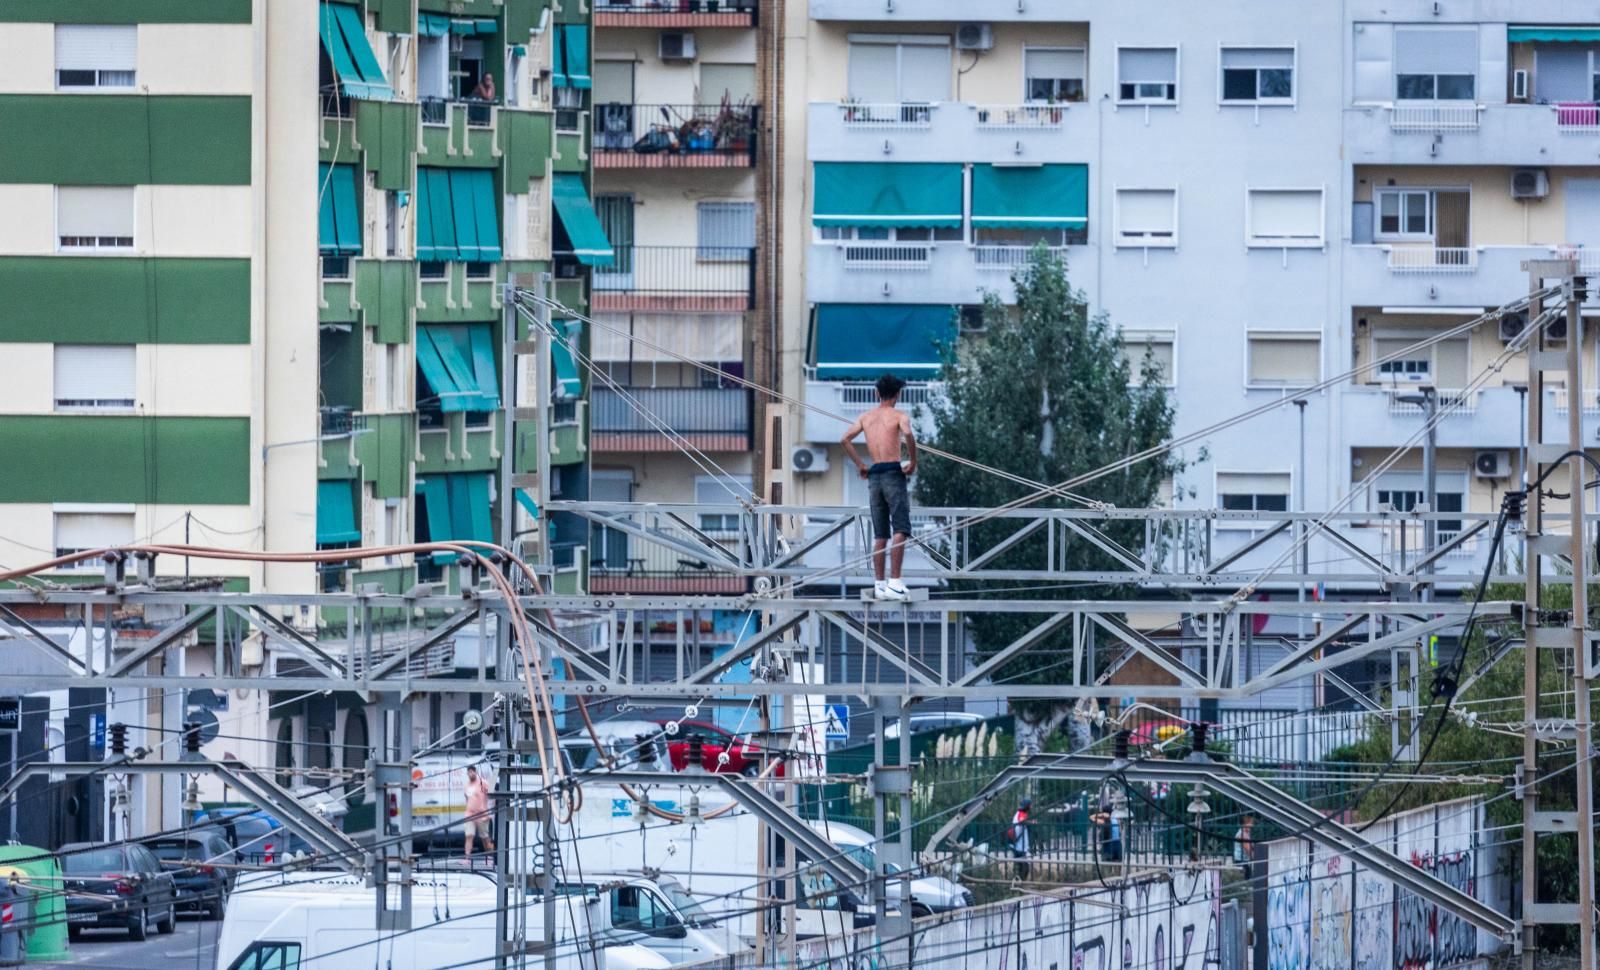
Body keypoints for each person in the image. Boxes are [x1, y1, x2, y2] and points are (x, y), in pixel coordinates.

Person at [840, 373, 918, 601]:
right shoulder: (899, 416)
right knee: (901, 528)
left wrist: (861, 465)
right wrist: (912, 461)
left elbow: (844, 439)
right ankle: (895, 582)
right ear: (897, 395)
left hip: (874, 475)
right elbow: (909, 434)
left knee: (880, 533)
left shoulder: (865, 417)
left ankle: (880, 584)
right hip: (893, 472)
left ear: (877, 393)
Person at [463, 764, 494, 860]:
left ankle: (490, 856)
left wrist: (490, 812)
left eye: (472, 771)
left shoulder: (483, 783)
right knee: (469, 835)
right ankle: (467, 858)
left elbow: (492, 796)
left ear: (475, 772)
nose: (471, 774)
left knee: (485, 838)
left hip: (482, 814)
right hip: (470, 814)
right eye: (469, 772)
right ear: (467, 773)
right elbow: (467, 798)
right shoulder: (466, 785)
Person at [1008, 797, 1033, 880]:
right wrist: (1032, 822)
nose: (1031, 807)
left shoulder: (1019, 813)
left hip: (1018, 845)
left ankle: (1019, 883)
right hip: (1020, 846)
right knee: (1024, 868)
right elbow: (1022, 821)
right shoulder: (1022, 814)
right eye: (1030, 805)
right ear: (1027, 807)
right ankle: (1020, 884)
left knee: (1022, 867)